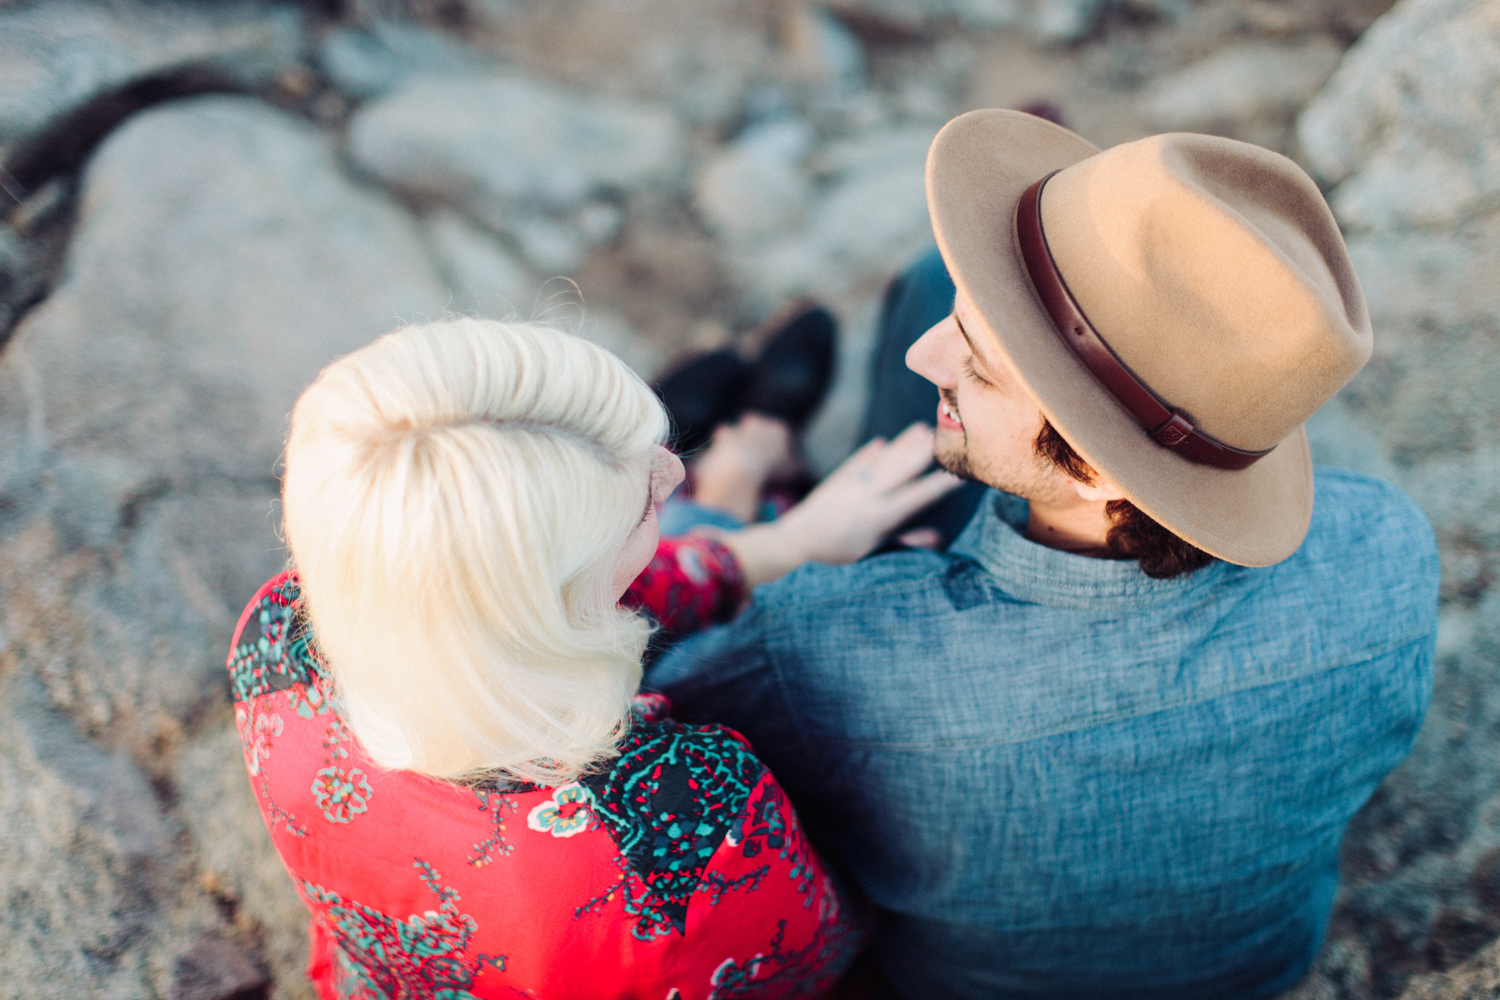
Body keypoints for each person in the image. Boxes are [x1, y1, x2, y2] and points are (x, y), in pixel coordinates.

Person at [649, 112, 1441, 999]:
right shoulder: (1388, 554)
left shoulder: (835, 648)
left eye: (980, 365)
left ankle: (735, 472)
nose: (927, 356)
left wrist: (737, 528)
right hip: (1255, 970)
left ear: (1104, 467)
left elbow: (642, 668)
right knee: (926, 282)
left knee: (909, 295)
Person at [225, 318, 954, 999]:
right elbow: (827, 947)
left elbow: (572, 595)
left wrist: (783, 549)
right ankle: (749, 478)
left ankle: (743, 490)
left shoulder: (274, 635)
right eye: (643, 501)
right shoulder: (677, 820)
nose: (672, 471)